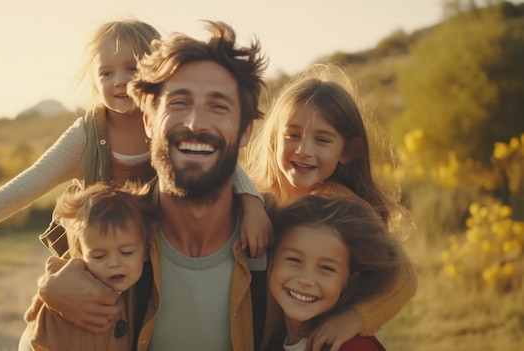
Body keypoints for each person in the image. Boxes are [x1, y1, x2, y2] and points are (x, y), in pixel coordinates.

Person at [33, 20, 281, 351]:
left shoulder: (284, 242)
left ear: (246, 131)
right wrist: (48, 292)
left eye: (218, 106)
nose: (195, 123)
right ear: (148, 121)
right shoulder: (101, 250)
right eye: (179, 103)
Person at [0, 19, 270, 258]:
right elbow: (39, 177)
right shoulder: (88, 133)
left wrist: (253, 205)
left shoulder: (170, 126)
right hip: (96, 247)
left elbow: (222, 164)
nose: (119, 81)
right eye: (106, 73)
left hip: (152, 244)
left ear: (155, 75)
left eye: (131, 69)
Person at [243, 64, 417, 351]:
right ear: (274, 137)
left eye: (322, 140)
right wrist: (248, 200)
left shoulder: (340, 205)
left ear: (346, 151)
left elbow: (404, 278)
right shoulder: (257, 195)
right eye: (293, 135)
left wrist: (354, 319)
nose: (304, 150)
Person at [24, 182, 157, 351]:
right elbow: (40, 341)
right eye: (99, 256)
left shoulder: (143, 293)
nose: (114, 263)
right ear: (80, 253)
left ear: (145, 251)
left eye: (126, 252)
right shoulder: (65, 297)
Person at [267, 195, 403, 351]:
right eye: (294, 260)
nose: (306, 280)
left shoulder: (353, 347)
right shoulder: (272, 344)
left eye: (326, 268)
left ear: (350, 279)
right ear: (272, 259)